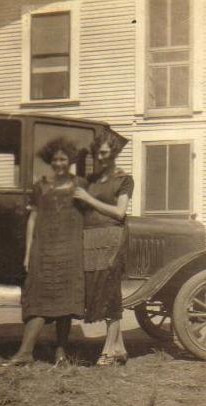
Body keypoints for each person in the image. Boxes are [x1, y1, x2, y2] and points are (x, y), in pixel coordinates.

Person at [6, 137, 86, 366]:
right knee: (38, 298)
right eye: (55, 159)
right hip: (43, 249)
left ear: (70, 160)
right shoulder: (40, 185)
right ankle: (25, 352)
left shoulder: (80, 185)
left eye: (64, 159)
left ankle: (60, 353)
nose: (59, 163)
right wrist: (28, 253)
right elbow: (32, 218)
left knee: (66, 301)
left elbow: (88, 215)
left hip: (70, 250)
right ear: (49, 161)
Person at [73, 129, 134, 366]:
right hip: (90, 239)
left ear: (115, 153)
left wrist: (88, 199)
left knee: (110, 292)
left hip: (112, 237)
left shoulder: (124, 179)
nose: (102, 158)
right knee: (96, 290)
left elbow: (120, 213)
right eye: (99, 153)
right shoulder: (91, 180)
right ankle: (120, 348)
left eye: (106, 153)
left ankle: (108, 351)